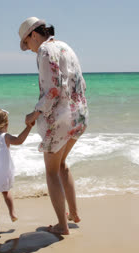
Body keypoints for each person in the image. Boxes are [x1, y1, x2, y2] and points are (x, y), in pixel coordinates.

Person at [18, 17, 88, 235]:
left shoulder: (45, 51)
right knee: (61, 164)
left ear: (33, 35)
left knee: (51, 171)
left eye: (27, 43)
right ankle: (73, 213)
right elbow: (79, 82)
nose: (29, 49)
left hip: (59, 118)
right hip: (79, 114)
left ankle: (61, 225)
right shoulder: (65, 46)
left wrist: (35, 112)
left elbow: (54, 89)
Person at [0, 108, 34, 239]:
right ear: (6, 125)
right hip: (3, 173)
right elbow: (19, 140)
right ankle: (12, 213)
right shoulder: (6, 137)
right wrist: (28, 128)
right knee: (6, 192)